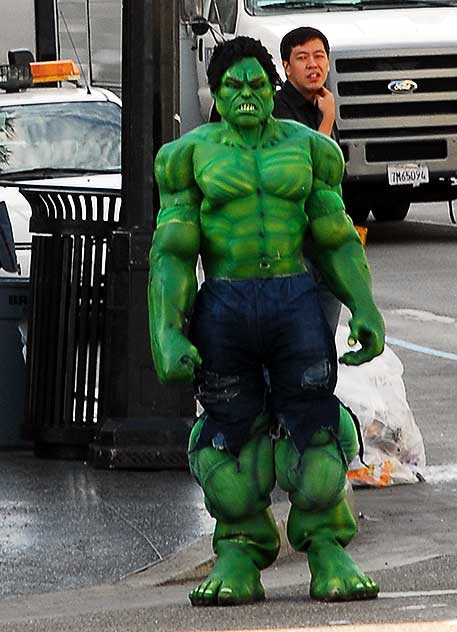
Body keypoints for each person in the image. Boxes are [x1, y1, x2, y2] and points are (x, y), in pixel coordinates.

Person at [148, 36, 384, 607]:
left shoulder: (309, 150)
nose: (248, 95)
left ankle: (328, 548)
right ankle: (237, 552)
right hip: (225, 304)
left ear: (269, 85)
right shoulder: (187, 155)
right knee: (229, 442)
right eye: (235, 86)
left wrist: (366, 307)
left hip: (293, 299)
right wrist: (166, 328)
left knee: (317, 430)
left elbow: (333, 235)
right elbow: (174, 248)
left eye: (257, 84)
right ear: (217, 93)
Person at [274, 26, 341, 333]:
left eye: (319, 56)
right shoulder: (279, 110)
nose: (313, 64)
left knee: (324, 340)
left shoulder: (321, 102)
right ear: (287, 68)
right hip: (294, 246)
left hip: (325, 241)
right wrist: (327, 121)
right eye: (302, 58)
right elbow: (307, 171)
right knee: (301, 342)